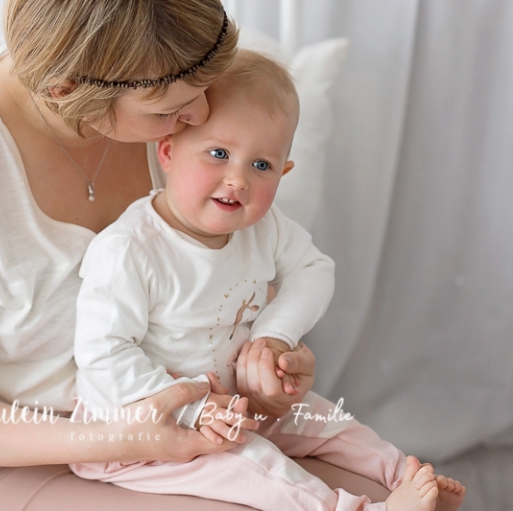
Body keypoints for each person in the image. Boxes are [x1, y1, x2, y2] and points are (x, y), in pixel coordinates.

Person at [0, 1, 408, 509]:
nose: (199, 113)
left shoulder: (164, 109)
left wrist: (268, 357)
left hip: (182, 426)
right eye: (170, 108)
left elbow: (223, 284)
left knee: (390, 491)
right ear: (66, 88)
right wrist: (116, 435)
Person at [71, 50, 467, 511]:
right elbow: (103, 355)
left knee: (326, 419)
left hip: (240, 402)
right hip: (147, 429)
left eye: (261, 166)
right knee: (254, 464)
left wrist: (275, 336)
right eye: (218, 154)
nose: (237, 179)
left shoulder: (266, 228)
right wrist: (191, 409)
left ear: (284, 172)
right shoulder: (131, 250)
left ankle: (404, 474)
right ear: (168, 153)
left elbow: (314, 269)